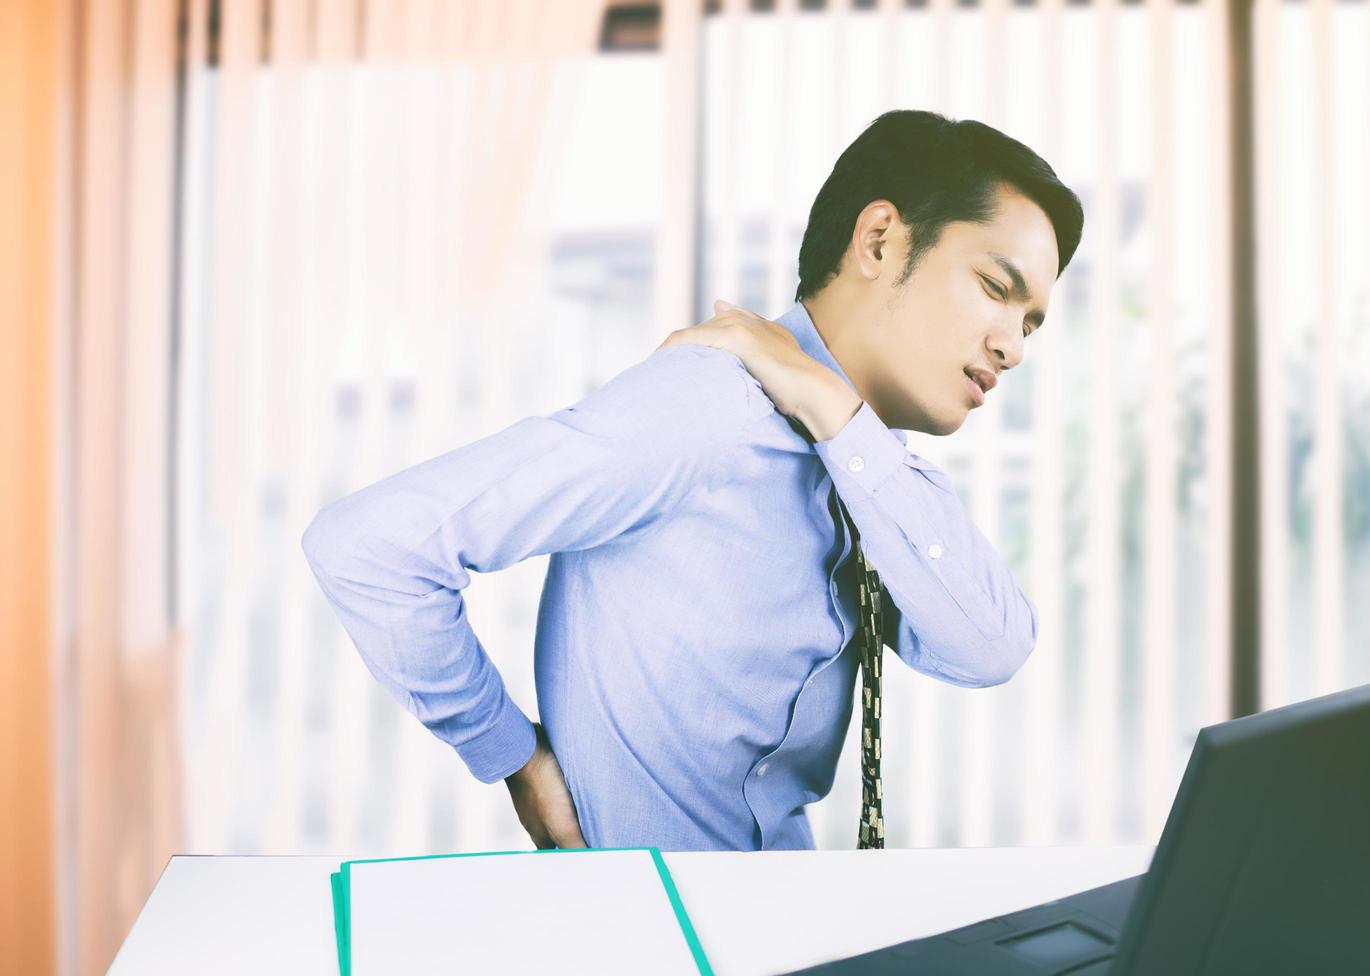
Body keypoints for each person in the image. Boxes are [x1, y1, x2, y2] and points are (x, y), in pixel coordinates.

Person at [301, 108, 1084, 852]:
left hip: (783, 920)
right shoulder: (707, 409)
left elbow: (989, 646)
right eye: (995, 288)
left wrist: (833, 411)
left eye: (1032, 323)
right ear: (879, 241)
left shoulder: (869, 466)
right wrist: (510, 754)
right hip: (656, 936)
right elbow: (369, 547)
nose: (1013, 345)